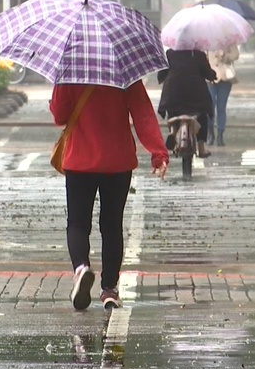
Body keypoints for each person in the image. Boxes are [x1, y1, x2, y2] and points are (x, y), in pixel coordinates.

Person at [50, 81, 169, 311]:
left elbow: (59, 115)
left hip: (80, 160)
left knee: (77, 223)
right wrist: (158, 152)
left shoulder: (70, 69)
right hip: (118, 160)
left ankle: (81, 269)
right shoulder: (124, 70)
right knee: (112, 225)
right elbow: (142, 112)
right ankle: (109, 289)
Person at [157, 49, 217, 158]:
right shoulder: (198, 54)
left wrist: (162, 78)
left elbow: (161, 74)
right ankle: (201, 148)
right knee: (202, 116)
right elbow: (208, 73)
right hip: (196, 95)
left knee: (172, 112)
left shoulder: (170, 54)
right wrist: (213, 75)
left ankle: (173, 131)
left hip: (173, 94)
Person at [206, 44, 240, 146]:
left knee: (221, 107)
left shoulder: (229, 40)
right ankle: (210, 132)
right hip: (210, 77)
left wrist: (225, 55)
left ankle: (220, 134)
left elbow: (236, 55)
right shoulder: (206, 40)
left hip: (225, 78)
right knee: (210, 106)